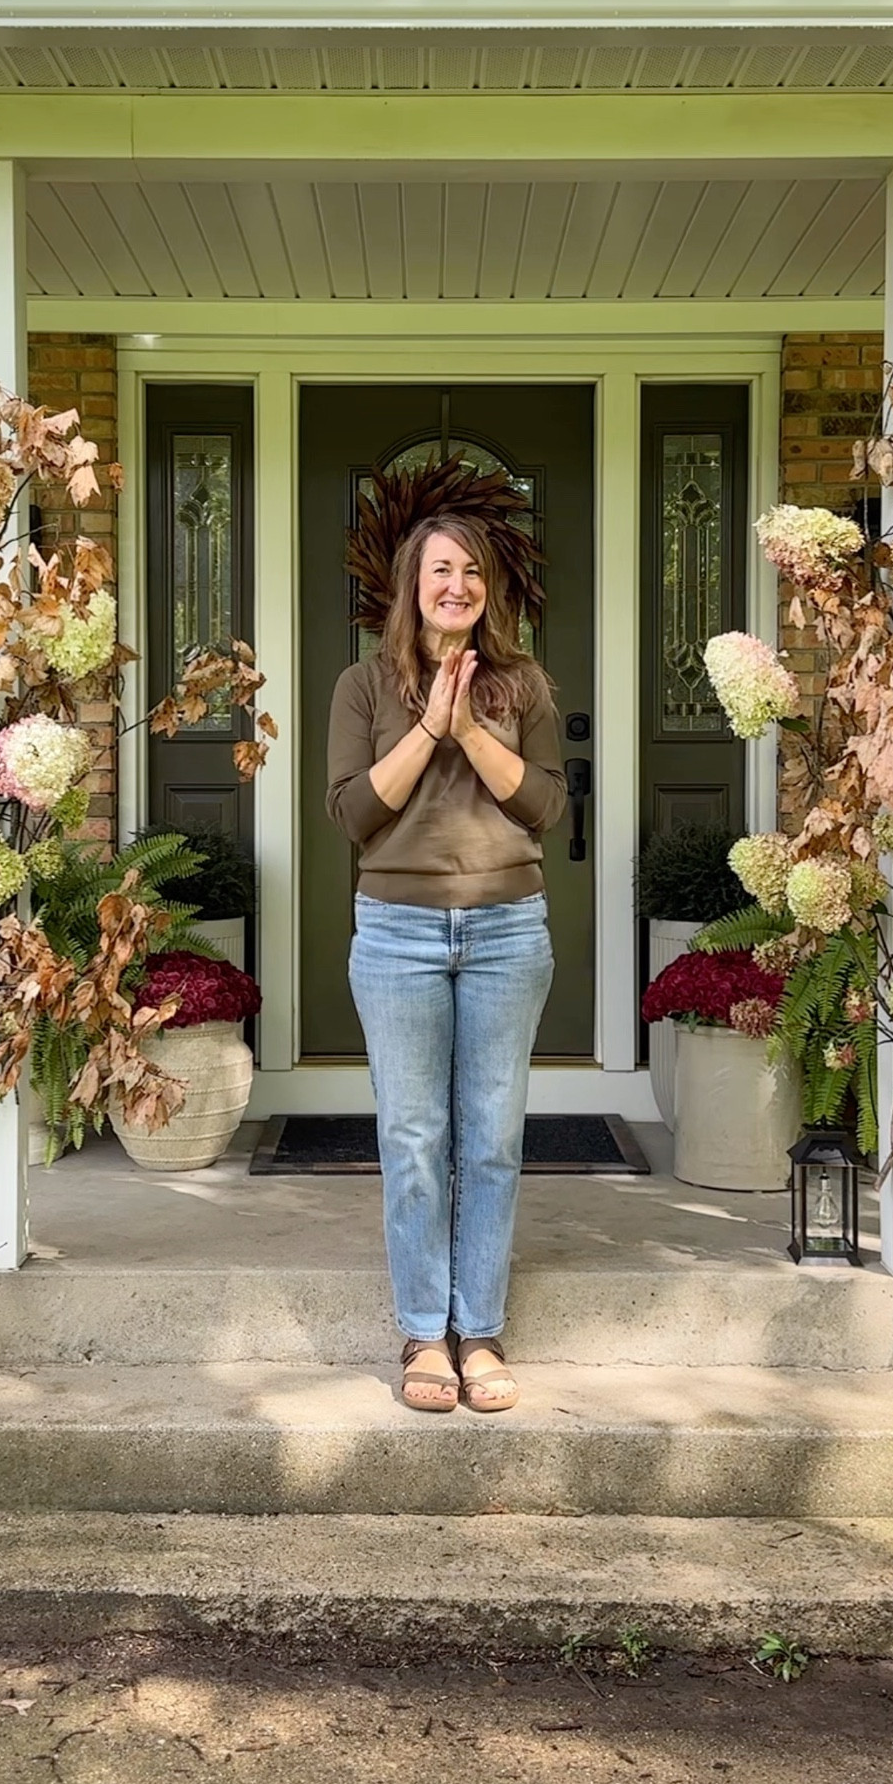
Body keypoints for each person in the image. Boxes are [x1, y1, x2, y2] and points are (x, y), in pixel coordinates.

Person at [326, 510, 566, 1413]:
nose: (456, 585)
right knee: (413, 1138)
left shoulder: (523, 685)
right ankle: (427, 1332)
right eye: (439, 570)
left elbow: (544, 805)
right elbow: (354, 814)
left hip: (507, 930)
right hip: (398, 933)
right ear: (411, 585)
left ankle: (483, 1332)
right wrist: (429, 725)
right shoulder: (362, 686)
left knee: (492, 1139)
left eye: (471, 570)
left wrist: (469, 728)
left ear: (488, 589)